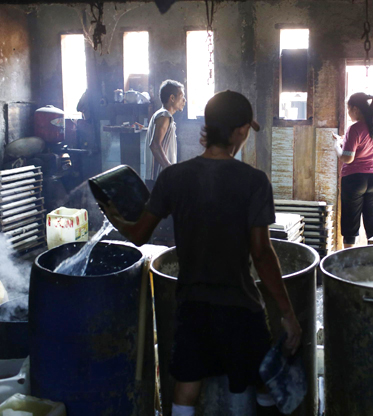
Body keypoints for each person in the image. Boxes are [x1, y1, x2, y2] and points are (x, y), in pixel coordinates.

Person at [100, 90, 302, 416]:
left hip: (192, 303)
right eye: (247, 129)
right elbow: (262, 255)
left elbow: (138, 234)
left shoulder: (173, 177)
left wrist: (116, 217)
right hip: (240, 304)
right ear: (239, 132)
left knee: (187, 385)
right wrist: (288, 314)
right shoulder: (254, 182)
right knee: (263, 377)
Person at [332, 92, 373, 248]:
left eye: (349, 109)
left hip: (355, 179)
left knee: (350, 226)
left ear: (355, 109)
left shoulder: (354, 128)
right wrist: (344, 141)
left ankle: (349, 264)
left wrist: (336, 146)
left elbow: (348, 158)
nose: (348, 113)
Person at [148, 80, 186, 182]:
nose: (184, 100)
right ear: (172, 98)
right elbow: (155, 145)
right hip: (161, 176)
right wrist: (169, 168)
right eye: (182, 96)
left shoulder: (162, 115)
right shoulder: (164, 116)